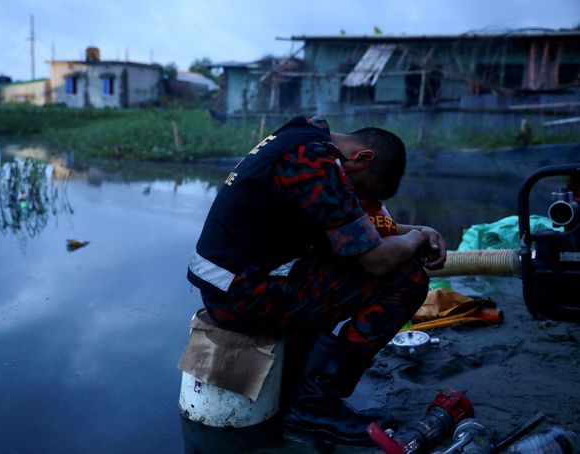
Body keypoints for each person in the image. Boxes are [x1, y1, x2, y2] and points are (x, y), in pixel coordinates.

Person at [187, 115, 446, 444]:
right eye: (361, 190)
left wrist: (418, 232)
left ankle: (301, 383)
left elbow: (358, 230)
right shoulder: (315, 163)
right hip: (242, 295)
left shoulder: (302, 140)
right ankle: (315, 406)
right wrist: (417, 240)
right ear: (363, 158)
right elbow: (377, 260)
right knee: (406, 278)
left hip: (233, 283)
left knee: (337, 263)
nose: (358, 200)